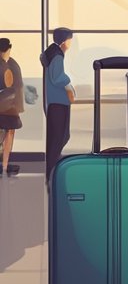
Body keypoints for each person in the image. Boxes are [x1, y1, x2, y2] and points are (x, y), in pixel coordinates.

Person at [40, 27, 75, 181]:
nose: (70, 43)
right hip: (59, 103)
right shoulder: (57, 56)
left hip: (54, 102)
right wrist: (68, 83)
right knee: (60, 137)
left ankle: (51, 171)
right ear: (63, 40)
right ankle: (53, 172)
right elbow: (58, 77)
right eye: (69, 39)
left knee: (56, 137)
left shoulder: (51, 54)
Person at [0, 38, 24, 177]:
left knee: (9, 133)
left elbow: (17, 85)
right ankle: (4, 165)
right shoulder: (10, 63)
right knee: (8, 133)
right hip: (7, 106)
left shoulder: (12, 63)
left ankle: (4, 165)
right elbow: (16, 86)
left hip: (10, 106)